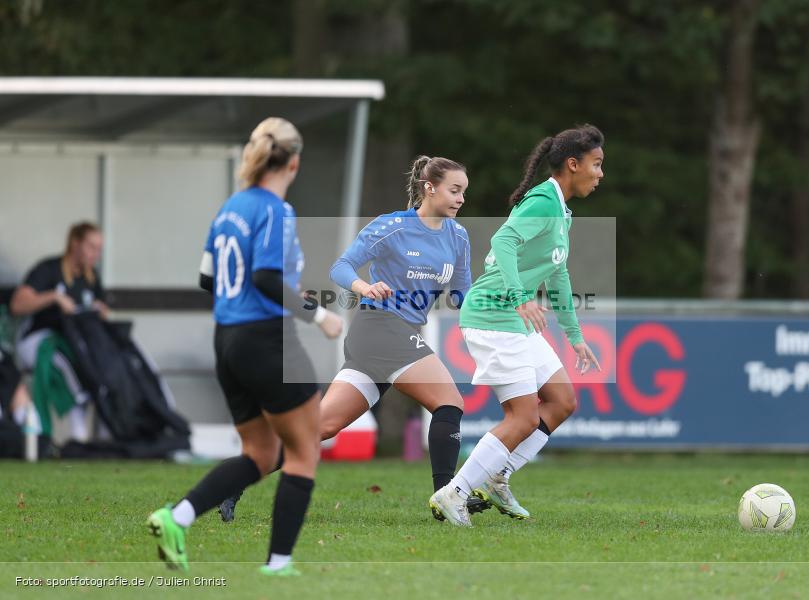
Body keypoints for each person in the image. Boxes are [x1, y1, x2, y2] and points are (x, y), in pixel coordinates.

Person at [220, 155, 491, 523]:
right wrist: (364, 286)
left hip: (396, 337)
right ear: (429, 188)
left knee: (320, 427)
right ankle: (447, 496)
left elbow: (462, 294)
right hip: (378, 328)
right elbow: (341, 267)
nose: (461, 199)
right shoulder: (392, 226)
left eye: (464, 192)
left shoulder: (457, 237)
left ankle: (232, 481)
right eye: (454, 190)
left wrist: (497, 302)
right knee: (450, 402)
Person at [146, 117, 341, 576]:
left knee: (260, 454)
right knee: (304, 449)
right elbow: (265, 276)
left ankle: (177, 518)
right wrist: (318, 314)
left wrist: (260, 298)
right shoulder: (276, 210)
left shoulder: (230, 208)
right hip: (267, 340)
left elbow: (207, 278)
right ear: (293, 164)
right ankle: (279, 564)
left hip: (228, 341)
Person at [430, 125, 604, 526]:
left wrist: (575, 337)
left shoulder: (560, 210)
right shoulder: (542, 201)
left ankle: (498, 476)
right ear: (572, 164)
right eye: (596, 165)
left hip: (511, 317)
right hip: (493, 315)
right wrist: (520, 297)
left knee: (562, 401)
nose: (600, 174)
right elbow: (503, 242)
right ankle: (454, 493)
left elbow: (558, 275)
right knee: (523, 417)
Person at [10, 222, 108, 441]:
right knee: (66, 363)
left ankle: (104, 436)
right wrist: (53, 297)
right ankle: (75, 434)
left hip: (72, 345)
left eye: (99, 249)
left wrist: (99, 311)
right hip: (36, 341)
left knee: (96, 364)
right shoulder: (48, 269)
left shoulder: (91, 277)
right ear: (75, 243)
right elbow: (17, 305)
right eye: (91, 247)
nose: (96, 254)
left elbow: (102, 313)